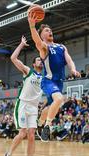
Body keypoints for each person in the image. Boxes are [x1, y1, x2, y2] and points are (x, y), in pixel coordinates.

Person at [28, 11, 80, 141]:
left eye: (50, 30)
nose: (49, 31)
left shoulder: (61, 47)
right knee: (59, 99)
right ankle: (47, 126)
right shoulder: (44, 47)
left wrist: (73, 69)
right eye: (46, 30)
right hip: (48, 81)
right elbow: (37, 41)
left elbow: (69, 60)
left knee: (51, 107)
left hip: (59, 82)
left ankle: (40, 123)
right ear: (42, 35)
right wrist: (32, 27)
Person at [1, 36, 43, 156]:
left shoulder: (44, 78)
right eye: (38, 60)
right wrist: (20, 45)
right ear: (33, 64)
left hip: (34, 108)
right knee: (23, 133)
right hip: (23, 105)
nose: (40, 61)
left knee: (31, 135)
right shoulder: (28, 71)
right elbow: (13, 58)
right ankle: (8, 155)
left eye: (41, 60)